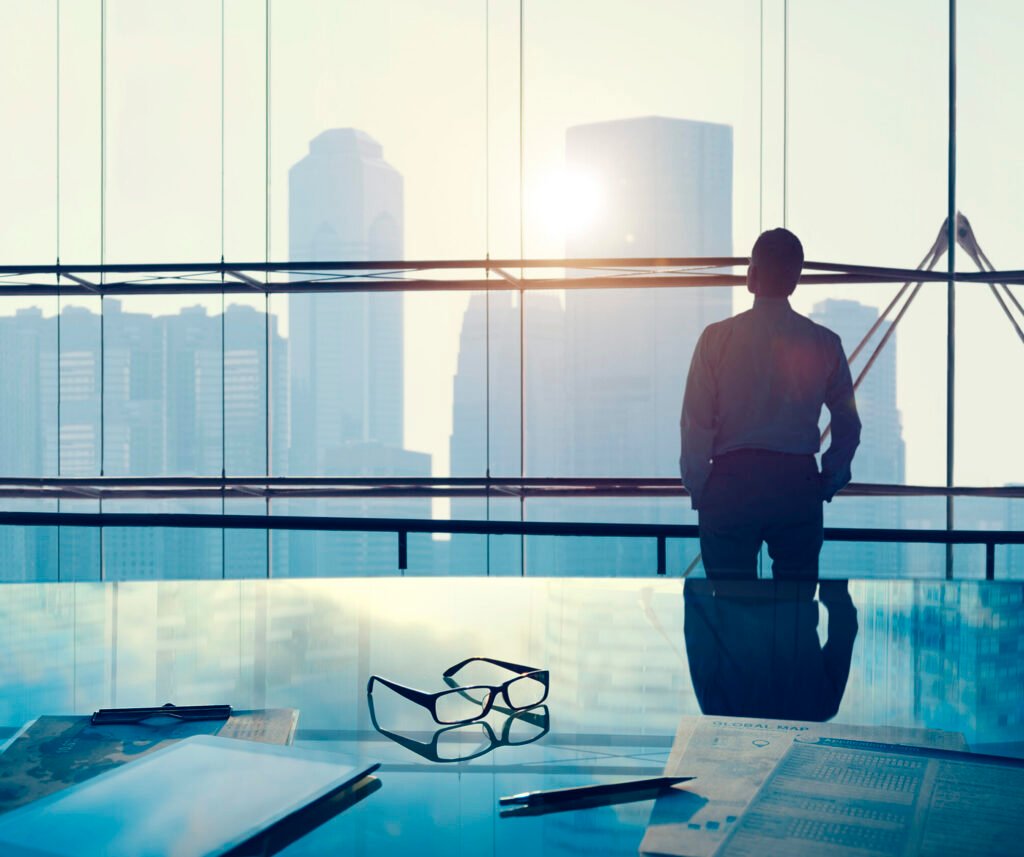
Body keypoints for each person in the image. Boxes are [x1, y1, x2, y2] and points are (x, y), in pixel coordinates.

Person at [679, 228, 861, 580]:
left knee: (729, 606)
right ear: (796, 281)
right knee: (795, 612)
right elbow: (847, 422)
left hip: (731, 482)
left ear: (751, 276)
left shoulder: (716, 339)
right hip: (797, 482)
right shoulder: (825, 342)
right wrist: (828, 479)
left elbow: (696, 423)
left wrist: (701, 486)